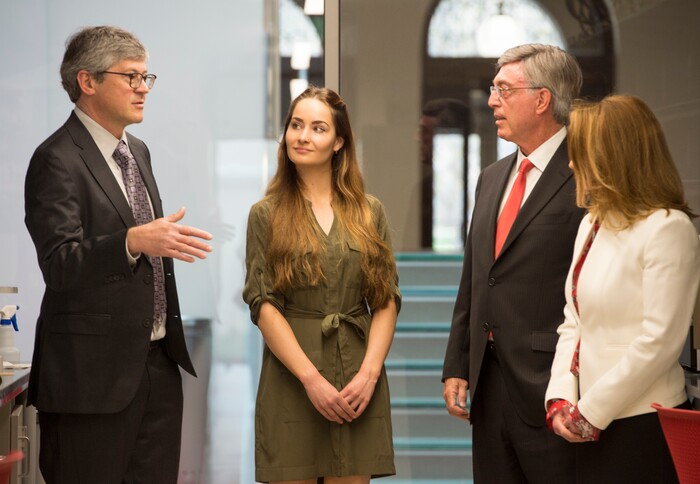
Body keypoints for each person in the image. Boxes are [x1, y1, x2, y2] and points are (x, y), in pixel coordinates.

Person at [24, 26, 213, 483]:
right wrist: (131, 242)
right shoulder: (55, 158)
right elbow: (60, 263)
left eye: (147, 78)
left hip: (155, 369)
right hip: (90, 381)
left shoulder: (138, 151)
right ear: (87, 81)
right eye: (130, 77)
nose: (142, 89)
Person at [442, 44, 585, 483]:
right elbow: (477, 278)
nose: (491, 102)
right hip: (487, 387)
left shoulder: (587, 174)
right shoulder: (491, 177)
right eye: (493, 89)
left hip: (554, 389)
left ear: (542, 99)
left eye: (504, 89)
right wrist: (457, 364)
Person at [243, 86, 401, 483]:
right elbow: (263, 306)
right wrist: (311, 379)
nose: (302, 136)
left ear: (339, 142)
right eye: (296, 125)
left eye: (317, 128)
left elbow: (385, 300)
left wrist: (368, 374)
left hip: (356, 378)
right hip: (292, 377)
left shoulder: (369, 211)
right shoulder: (266, 214)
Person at [544, 94, 700, 483]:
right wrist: (561, 398)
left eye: (579, 152)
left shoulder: (669, 228)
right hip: (592, 422)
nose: (570, 163)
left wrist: (590, 412)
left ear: (610, 156)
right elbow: (573, 320)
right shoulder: (592, 222)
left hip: (643, 424)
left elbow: (660, 342)